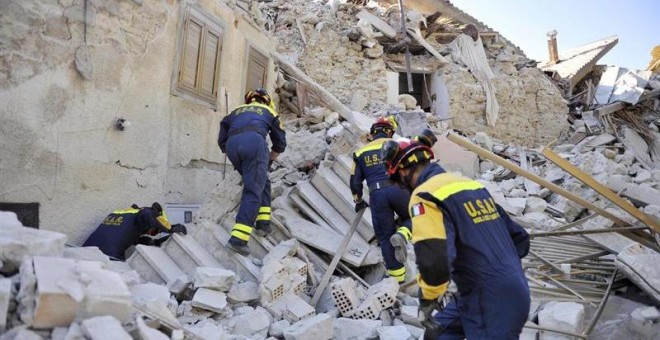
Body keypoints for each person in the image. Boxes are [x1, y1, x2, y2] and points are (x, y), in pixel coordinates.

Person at [381, 131, 530, 339]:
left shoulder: (425, 195)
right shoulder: (471, 186)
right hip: (506, 290)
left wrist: (427, 299)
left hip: (488, 298)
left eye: (398, 179)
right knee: (440, 332)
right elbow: (520, 238)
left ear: (403, 172)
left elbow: (436, 259)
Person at [218, 88, 286, 256]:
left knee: (262, 181)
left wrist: (237, 152)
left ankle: (263, 223)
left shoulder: (235, 111)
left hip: (232, 147)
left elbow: (222, 141)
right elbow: (280, 143)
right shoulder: (270, 111)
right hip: (254, 142)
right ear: (268, 101)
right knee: (252, 191)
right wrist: (269, 158)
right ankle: (238, 240)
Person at [349, 116, 412, 283]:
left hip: (377, 194)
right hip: (399, 189)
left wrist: (358, 200)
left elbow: (355, 183)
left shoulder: (360, 152)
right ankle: (403, 234)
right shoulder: (399, 147)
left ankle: (397, 278)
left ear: (372, 134)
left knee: (385, 237)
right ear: (390, 132)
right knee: (414, 217)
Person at [83, 202, 187, 260]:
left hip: (84, 251)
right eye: (154, 232)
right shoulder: (142, 213)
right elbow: (147, 213)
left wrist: (155, 242)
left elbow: (132, 238)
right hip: (108, 255)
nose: (149, 233)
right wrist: (170, 228)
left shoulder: (121, 215)